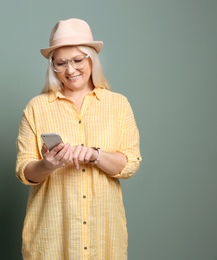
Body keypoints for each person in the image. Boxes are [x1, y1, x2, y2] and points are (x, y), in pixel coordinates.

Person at [15, 18, 142, 260]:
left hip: (104, 238)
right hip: (52, 240)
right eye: (61, 63)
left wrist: (96, 155)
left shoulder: (118, 105)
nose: (70, 70)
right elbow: (24, 171)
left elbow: (130, 164)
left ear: (91, 59)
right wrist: (47, 164)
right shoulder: (36, 108)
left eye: (76, 60)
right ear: (52, 66)